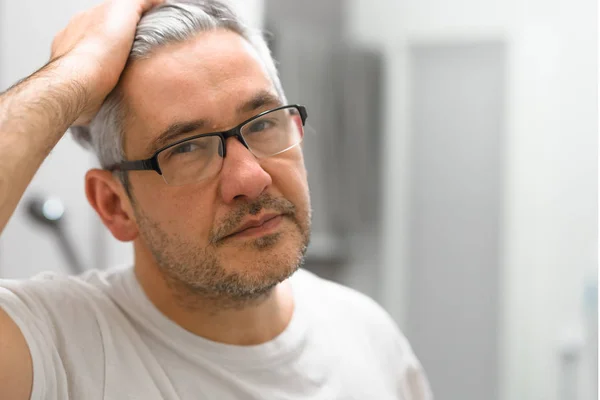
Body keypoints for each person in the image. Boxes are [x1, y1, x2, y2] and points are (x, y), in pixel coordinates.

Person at [0, 0, 432, 398]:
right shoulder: (56, 351)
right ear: (115, 205)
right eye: (186, 148)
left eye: (262, 124)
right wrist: (77, 71)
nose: (251, 178)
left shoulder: (368, 337)